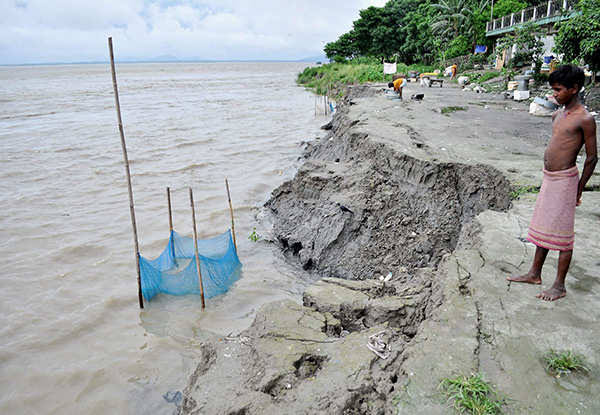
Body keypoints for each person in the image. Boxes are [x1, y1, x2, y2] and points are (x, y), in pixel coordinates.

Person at [507, 64, 597, 301]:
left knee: (563, 233)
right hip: (550, 178)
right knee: (544, 226)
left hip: (566, 180)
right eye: (553, 90)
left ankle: (559, 285)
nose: (554, 94)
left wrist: (579, 188)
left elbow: (592, 157)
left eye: (558, 90)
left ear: (574, 88)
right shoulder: (560, 114)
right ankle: (535, 273)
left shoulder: (585, 119)